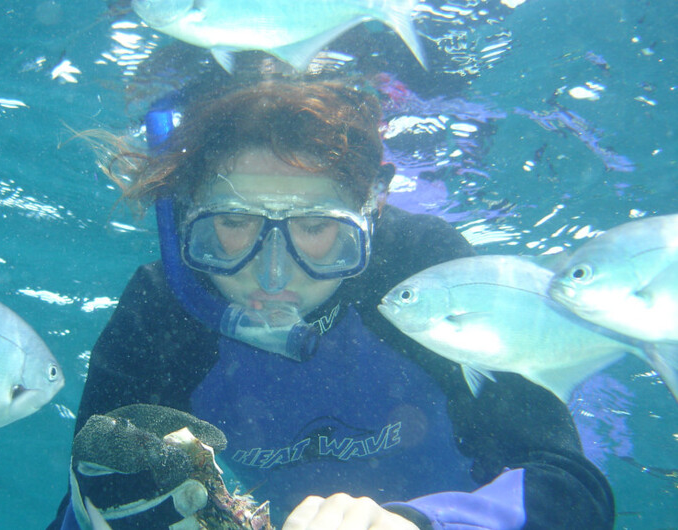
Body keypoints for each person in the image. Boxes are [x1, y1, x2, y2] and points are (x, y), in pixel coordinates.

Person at [48, 77, 615, 529]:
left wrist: (422, 524)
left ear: (372, 211)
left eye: (317, 228)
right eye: (235, 222)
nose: (273, 275)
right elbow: (87, 498)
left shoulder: (424, 268)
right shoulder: (164, 307)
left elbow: (569, 487)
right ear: (190, 214)